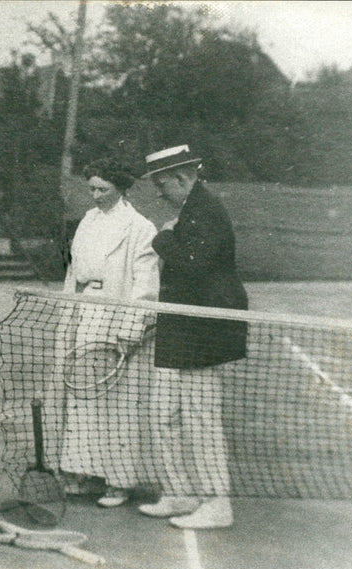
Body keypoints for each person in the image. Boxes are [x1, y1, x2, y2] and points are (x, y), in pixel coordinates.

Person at [137, 144, 248, 529]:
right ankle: (180, 492)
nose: (158, 193)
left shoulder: (207, 210)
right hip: (181, 330)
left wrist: (162, 239)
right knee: (165, 413)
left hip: (204, 334)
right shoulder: (191, 209)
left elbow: (194, 265)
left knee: (202, 419)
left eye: (162, 184)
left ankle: (218, 503)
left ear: (183, 178)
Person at [56, 157, 160, 508]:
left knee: (121, 405)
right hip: (85, 314)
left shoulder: (141, 227)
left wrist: (132, 330)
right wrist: (68, 316)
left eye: (103, 189)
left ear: (121, 188)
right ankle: (84, 473)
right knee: (85, 401)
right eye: (92, 189)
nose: (96, 195)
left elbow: (145, 284)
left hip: (119, 324)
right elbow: (74, 272)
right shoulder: (87, 219)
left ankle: (119, 482)